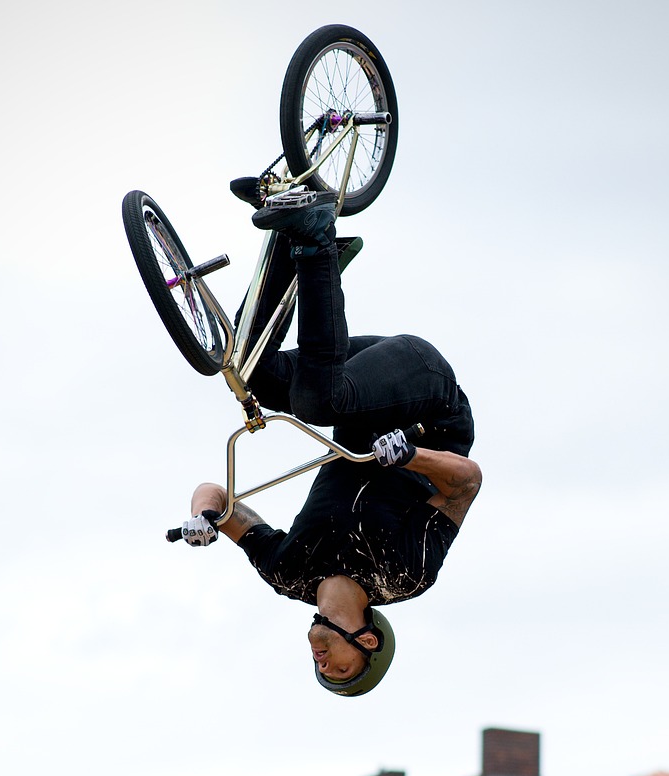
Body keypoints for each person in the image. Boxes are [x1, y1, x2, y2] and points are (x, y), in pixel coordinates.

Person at [176, 188, 482, 697]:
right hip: (428, 400)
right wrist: (411, 456)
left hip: (355, 394)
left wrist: (201, 519)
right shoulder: (404, 575)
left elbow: (218, 497)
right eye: (340, 667)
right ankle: (315, 235)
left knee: (255, 376)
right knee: (321, 402)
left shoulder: (288, 572)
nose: (321, 661)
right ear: (367, 639)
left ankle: (285, 230)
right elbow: (465, 484)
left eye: (321, 671)